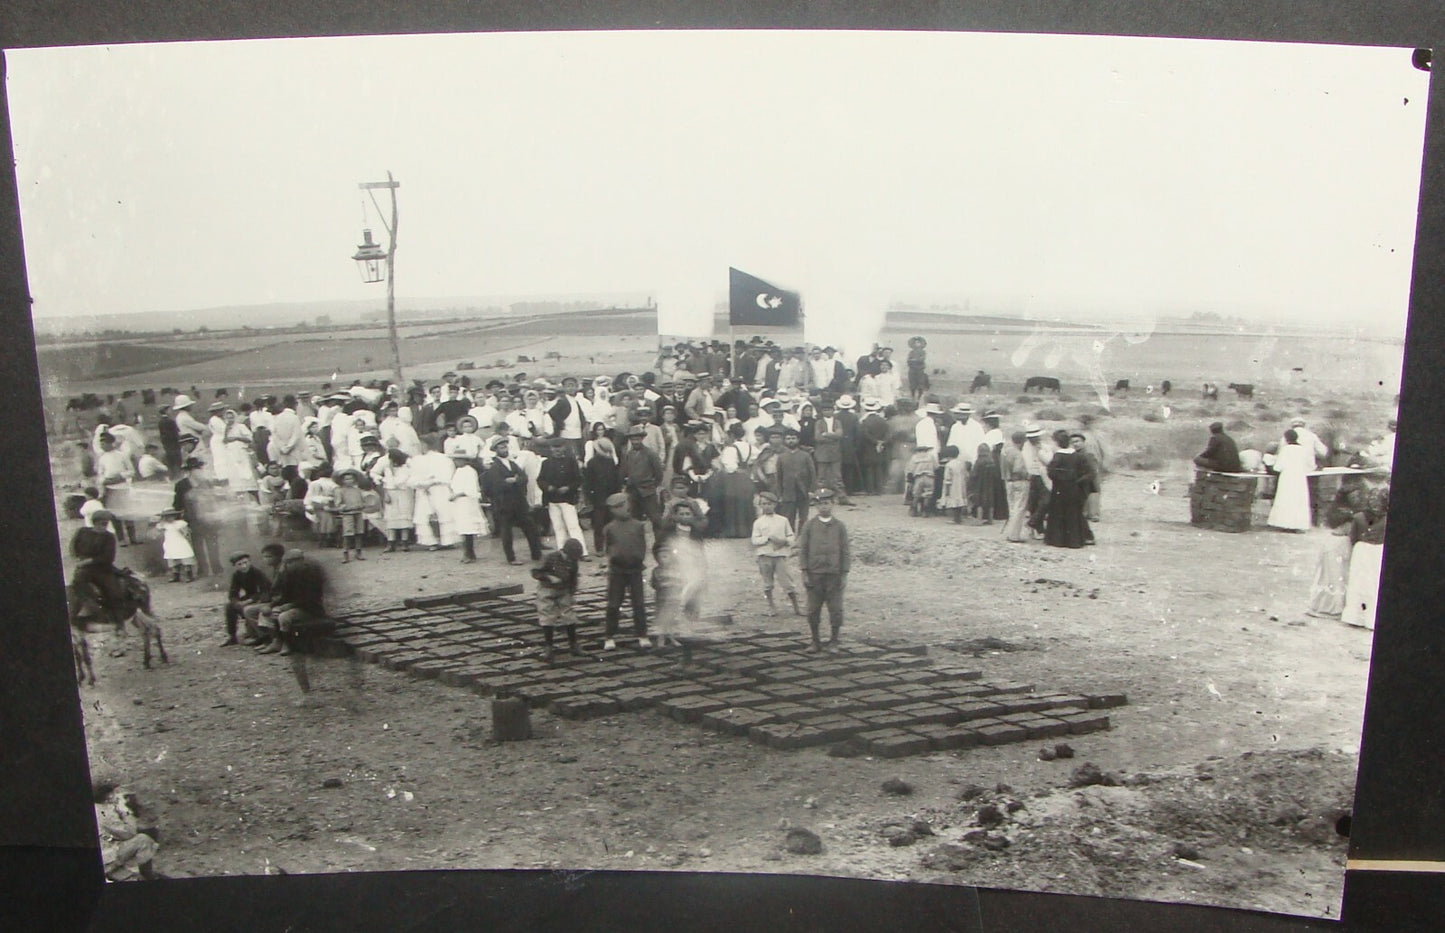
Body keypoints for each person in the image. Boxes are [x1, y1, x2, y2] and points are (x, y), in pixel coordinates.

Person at [798, 488, 850, 652]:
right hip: (815, 574)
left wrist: (844, 573)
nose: (823, 507)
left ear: (833, 504)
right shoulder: (809, 526)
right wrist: (805, 571)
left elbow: (845, 551)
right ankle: (815, 641)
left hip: (834, 575)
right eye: (820, 504)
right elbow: (803, 550)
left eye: (826, 503)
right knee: (813, 610)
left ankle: (834, 641)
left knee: (835, 609)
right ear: (815, 506)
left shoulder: (840, 526)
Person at [601, 492, 649, 651]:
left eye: (625, 505)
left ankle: (642, 634)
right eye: (619, 507)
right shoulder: (609, 528)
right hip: (617, 571)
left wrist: (638, 558)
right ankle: (609, 636)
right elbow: (608, 548)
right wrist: (614, 558)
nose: (624, 509)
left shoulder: (638, 525)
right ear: (612, 510)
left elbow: (642, 545)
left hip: (635, 570)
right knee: (614, 604)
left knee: (639, 603)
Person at [484, 435, 543, 565]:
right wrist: (511, 482)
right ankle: (511, 558)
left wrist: (515, 480)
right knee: (507, 532)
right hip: (504, 504)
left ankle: (536, 554)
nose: (504, 449)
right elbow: (496, 485)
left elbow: (524, 477)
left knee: (530, 528)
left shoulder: (512, 464)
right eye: (501, 447)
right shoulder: (494, 467)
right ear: (495, 449)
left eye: (505, 446)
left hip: (519, 502)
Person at [1342, 485, 1388, 630]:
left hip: (1370, 552)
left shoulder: (1382, 519)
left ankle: (1363, 617)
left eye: (1378, 501)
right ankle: (1361, 618)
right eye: (1373, 500)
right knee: (1364, 584)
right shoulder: (1361, 517)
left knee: (1366, 584)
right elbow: (1353, 537)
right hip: (1368, 552)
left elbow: (1353, 538)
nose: (1375, 504)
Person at [532, 538, 585, 663]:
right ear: (563, 552)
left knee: (569, 616)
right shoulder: (549, 557)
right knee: (547, 617)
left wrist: (572, 594)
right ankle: (548, 648)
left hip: (564, 590)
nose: (571, 560)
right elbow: (535, 572)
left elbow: (574, 579)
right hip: (547, 590)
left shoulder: (573, 561)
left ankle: (574, 645)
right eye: (570, 557)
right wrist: (549, 577)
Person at [752, 490, 802, 617]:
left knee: (787, 582)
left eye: (769, 503)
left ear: (775, 505)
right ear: (760, 506)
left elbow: (791, 536)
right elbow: (754, 540)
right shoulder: (758, 522)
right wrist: (767, 538)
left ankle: (797, 607)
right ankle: (771, 607)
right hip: (765, 555)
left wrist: (785, 541)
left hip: (780, 555)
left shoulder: (783, 520)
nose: (766, 506)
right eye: (763, 504)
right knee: (768, 583)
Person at [538, 439, 589, 558]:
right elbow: (540, 480)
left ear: (564, 448)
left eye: (559, 447)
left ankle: (582, 552)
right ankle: (562, 551)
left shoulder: (570, 462)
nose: (556, 450)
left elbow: (578, 479)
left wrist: (568, 487)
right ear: (550, 449)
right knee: (558, 527)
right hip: (552, 500)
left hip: (567, 499)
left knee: (573, 526)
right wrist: (547, 487)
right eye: (554, 447)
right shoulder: (546, 463)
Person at [1044, 429, 1090, 549]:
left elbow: (1051, 473)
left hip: (1059, 489)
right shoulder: (1078, 456)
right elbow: (1088, 473)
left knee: (1058, 513)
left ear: (1057, 443)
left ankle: (1058, 540)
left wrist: (1061, 478)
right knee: (1073, 514)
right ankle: (1074, 541)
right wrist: (1077, 481)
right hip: (1074, 489)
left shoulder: (1057, 456)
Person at [620, 423, 665, 529]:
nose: (635, 442)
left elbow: (658, 473)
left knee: (656, 519)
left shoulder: (650, 454)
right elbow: (624, 471)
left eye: (638, 439)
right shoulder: (628, 454)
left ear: (642, 439)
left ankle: (660, 544)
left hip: (647, 491)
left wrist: (653, 485)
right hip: (633, 491)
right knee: (634, 520)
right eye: (633, 439)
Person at [1267, 429, 1312, 532]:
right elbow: (1309, 466)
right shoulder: (1303, 450)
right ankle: (1297, 524)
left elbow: (1278, 467)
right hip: (1300, 478)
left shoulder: (1286, 450)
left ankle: (1284, 524)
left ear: (1286, 439)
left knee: (1286, 499)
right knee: (1298, 501)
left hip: (1287, 478)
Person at [224, 551, 272, 646]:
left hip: (261, 598)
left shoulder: (257, 573)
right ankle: (232, 636)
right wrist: (236, 602)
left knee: (249, 608)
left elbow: (265, 591)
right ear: (235, 566)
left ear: (249, 562)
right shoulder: (237, 575)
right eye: (240, 564)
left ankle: (260, 635)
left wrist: (250, 601)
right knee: (229, 607)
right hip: (249, 597)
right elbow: (233, 593)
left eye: (245, 562)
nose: (244, 566)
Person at [448, 448, 487, 563]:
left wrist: (457, 495)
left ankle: (469, 554)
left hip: (467, 502)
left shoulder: (469, 471)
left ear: (464, 460)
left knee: (468, 528)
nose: (456, 462)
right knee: (463, 528)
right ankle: (468, 553)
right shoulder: (458, 471)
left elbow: (470, 489)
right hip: (460, 503)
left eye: (458, 459)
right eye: (455, 459)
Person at [331, 468, 368, 561]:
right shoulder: (340, 490)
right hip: (347, 514)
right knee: (348, 534)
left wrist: (361, 505)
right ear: (342, 480)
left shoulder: (358, 490)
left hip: (358, 513)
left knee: (359, 532)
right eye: (346, 479)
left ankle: (358, 552)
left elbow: (363, 501)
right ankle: (345, 553)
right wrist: (345, 507)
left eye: (351, 479)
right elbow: (338, 504)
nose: (349, 481)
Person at [1001, 431, 1032, 543]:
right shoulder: (1017, 453)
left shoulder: (1005, 451)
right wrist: (1027, 475)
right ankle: (1014, 535)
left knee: (1012, 508)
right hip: (1019, 481)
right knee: (1020, 508)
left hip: (1008, 481)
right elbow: (1018, 469)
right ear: (1022, 441)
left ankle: (1010, 533)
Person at [155, 507, 196, 582]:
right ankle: (176, 576)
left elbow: (186, 533)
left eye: (171, 516)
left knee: (185, 558)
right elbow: (159, 532)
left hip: (180, 542)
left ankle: (189, 575)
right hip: (170, 543)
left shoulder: (180, 524)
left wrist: (184, 532)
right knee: (173, 559)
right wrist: (161, 525)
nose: (169, 518)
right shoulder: (164, 525)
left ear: (175, 516)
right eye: (167, 517)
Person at [938, 445, 968, 523]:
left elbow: (948, 478)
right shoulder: (961, 463)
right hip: (961, 484)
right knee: (959, 500)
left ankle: (955, 519)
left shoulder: (949, 465)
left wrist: (947, 490)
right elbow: (966, 475)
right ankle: (959, 518)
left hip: (952, 486)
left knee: (954, 501)